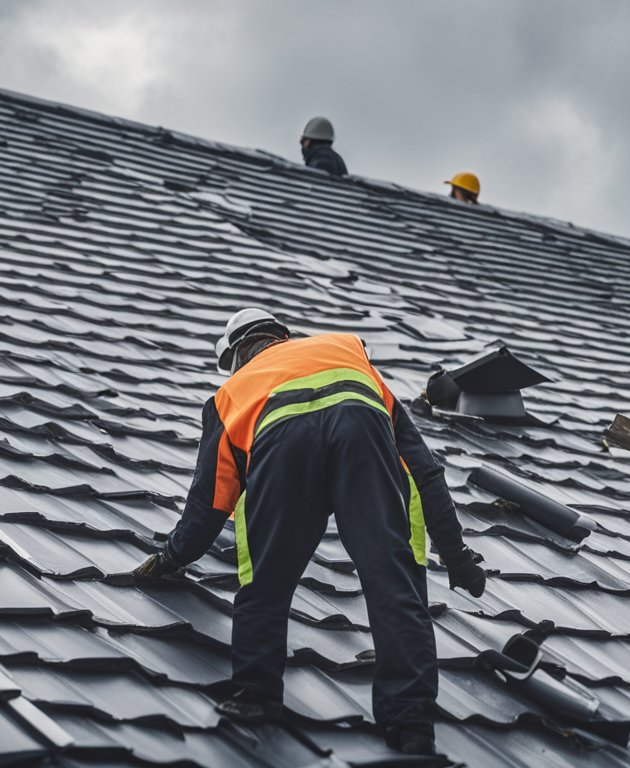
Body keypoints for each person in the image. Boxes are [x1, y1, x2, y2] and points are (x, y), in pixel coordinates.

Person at [135, 308, 486, 755]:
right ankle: (411, 723)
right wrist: (455, 556)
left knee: (266, 577)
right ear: (282, 336)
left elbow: (208, 506)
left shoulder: (231, 394)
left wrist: (170, 558)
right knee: (390, 578)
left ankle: (256, 695)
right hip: (360, 432)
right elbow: (425, 470)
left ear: (237, 355)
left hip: (283, 446)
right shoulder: (345, 353)